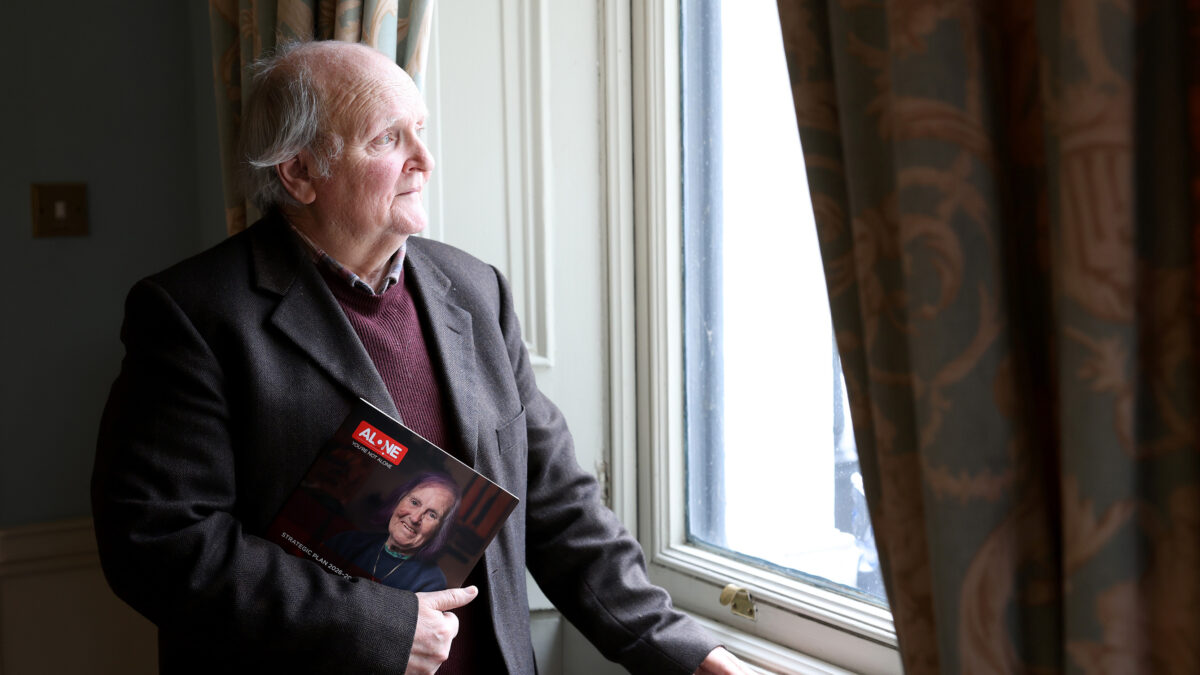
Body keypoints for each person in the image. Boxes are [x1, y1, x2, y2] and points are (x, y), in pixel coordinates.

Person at [92, 39, 748, 675]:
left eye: (421, 130)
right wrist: (377, 628)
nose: (425, 160)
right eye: (388, 138)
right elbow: (158, 544)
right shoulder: (193, 314)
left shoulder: (476, 290)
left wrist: (687, 655)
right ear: (300, 172)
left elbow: (556, 507)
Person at [325, 472, 460, 592]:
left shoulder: (431, 584)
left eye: (432, 515)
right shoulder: (347, 541)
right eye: (414, 502)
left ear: (440, 531)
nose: (415, 518)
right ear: (398, 500)